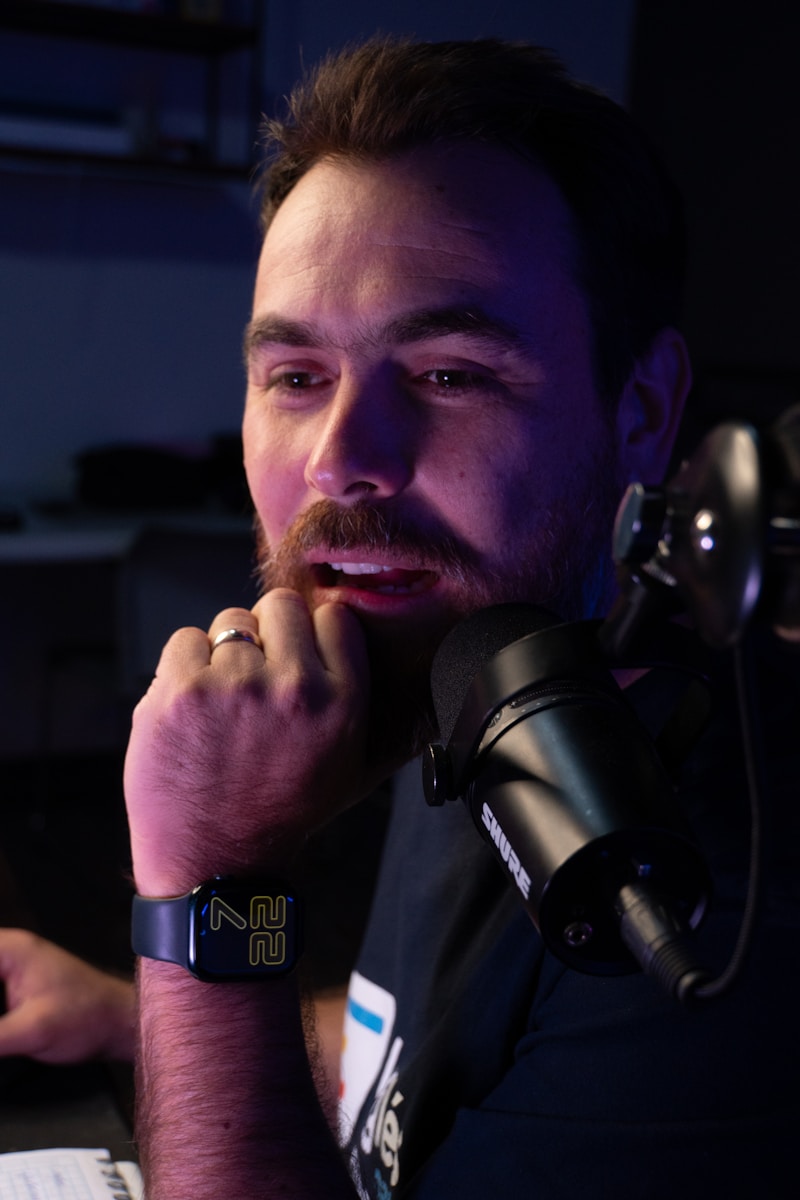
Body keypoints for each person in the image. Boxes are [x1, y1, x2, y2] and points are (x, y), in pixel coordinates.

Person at [2, 36, 798, 1197]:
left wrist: (211, 892)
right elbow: (411, 1062)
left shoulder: (718, 923)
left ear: (641, 409)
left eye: (448, 374)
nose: (339, 463)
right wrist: (133, 1013)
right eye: (295, 377)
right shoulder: (481, 666)